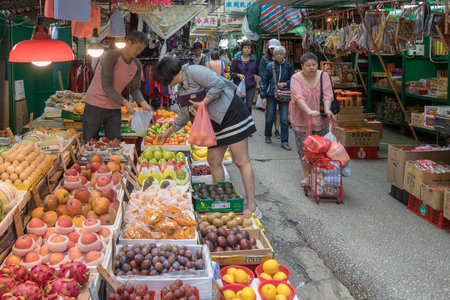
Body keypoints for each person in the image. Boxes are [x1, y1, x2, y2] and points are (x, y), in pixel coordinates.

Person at [154, 57, 261, 218]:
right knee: (213, 160)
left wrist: (204, 103)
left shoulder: (194, 71)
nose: (165, 85)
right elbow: (184, 114)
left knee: (241, 160)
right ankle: (221, 198)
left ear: (168, 75)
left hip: (231, 114)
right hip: (214, 124)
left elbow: (219, 84)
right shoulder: (181, 87)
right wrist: (167, 133)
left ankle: (253, 207)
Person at [82, 31, 152, 142]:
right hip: (95, 105)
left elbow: (134, 88)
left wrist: (143, 102)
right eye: (137, 48)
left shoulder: (137, 65)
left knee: (115, 142)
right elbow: (107, 87)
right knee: (89, 141)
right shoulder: (110, 57)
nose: (138, 52)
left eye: (141, 50)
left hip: (114, 106)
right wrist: (125, 102)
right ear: (129, 43)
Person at [290, 52, 333, 187]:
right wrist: (308, 111)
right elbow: (298, 97)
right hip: (302, 119)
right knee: (304, 149)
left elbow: (328, 94)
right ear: (302, 66)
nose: (312, 68)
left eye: (314, 64)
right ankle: (307, 176)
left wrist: (327, 110)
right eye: (308, 65)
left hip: (320, 119)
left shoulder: (324, 75)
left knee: (322, 149)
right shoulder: (296, 78)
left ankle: (320, 175)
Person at [260, 46, 294, 150]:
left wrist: (285, 83)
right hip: (271, 95)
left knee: (284, 119)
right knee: (270, 116)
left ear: (284, 54)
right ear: (274, 55)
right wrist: (263, 96)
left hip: (284, 95)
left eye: (281, 53)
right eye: (277, 54)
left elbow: (294, 80)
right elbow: (264, 81)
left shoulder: (288, 66)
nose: (279, 55)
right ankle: (268, 135)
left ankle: (284, 141)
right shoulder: (270, 66)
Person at [259, 39, 281, 139]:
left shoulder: (282, 58)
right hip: (268, 87)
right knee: (268, 109)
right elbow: (261, 73)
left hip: (280, 88)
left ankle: (277, 129)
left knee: (278, 110)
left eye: (274, 48)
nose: (272, 50)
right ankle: (269, 128)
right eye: (271, 48)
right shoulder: (265, 59)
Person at [230, 40, 259, 114]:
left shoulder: (254, 60)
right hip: (239, 85)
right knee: (240, 105)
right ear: (242, 49)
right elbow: (231, 73)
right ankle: (240, 121)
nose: (247, 49)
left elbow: (257, 72)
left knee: (249, 105)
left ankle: (248, 121)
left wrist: (258, 81)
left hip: (251, 85)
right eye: (245, 47)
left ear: (251, 49)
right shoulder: (236, 60)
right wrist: (238, 75)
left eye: (249, 48)